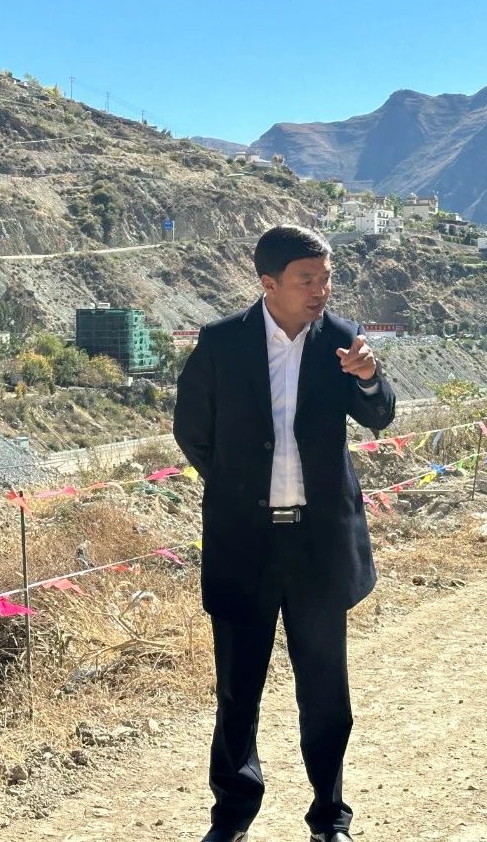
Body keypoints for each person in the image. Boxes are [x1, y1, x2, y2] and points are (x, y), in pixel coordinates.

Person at [173, 225, 396, 842]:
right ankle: (232, 816)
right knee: (237, 691)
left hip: (318, 548)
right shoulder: (222, 343)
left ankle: (329, 817)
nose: (321, 290)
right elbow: (191, 429)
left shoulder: (343, 340)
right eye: (307, 280)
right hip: (244, 545)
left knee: (325, 693)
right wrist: (240, 487)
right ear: (268, 283)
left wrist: (369, 377)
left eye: (326, 278)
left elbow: (379, 414)